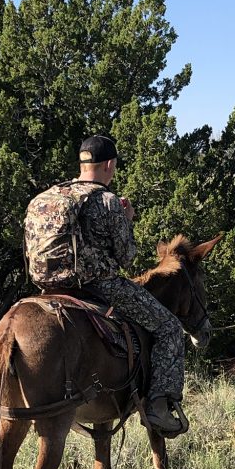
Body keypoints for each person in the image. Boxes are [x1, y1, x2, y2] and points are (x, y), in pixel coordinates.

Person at [23, 135, 188, 436]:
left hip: (48, 287)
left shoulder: (49, 196)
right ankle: (159, 406)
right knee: (170, 328)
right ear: (109, 165)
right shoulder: (108, 201)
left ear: (82, 163)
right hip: (99, 286)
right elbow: (126, 256)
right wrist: (127, 219)